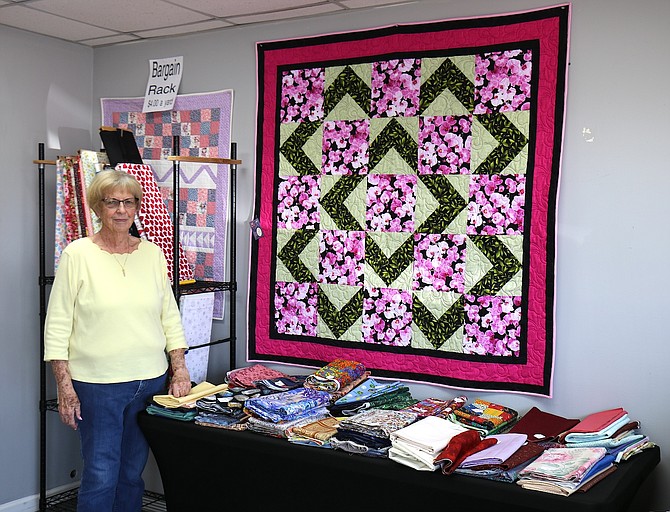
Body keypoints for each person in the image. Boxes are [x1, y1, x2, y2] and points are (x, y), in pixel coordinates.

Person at [44, 169, 192, 512]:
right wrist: (64, 388)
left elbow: (169, 315)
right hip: (98, 385)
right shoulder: (77, 255)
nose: (122, 210)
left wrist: (179, 369)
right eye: (112, 202)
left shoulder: (152, 255)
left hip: (150, 380)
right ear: (98, 207)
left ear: (138, 207)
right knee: (100, 474)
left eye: (129, 202)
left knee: (131, 474)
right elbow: (57, 325)